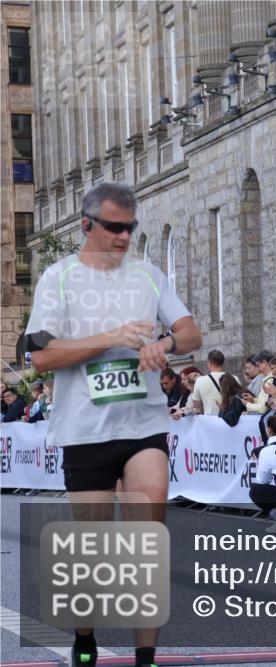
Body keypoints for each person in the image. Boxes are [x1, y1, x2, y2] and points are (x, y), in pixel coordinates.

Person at [23, 181, 201, 667]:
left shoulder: (147, 275)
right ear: (87, 225)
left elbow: (191, 331)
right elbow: (40, 357)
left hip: (142, 426)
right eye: (114, 228)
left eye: (130, 228)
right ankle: (85, 637)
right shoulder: (58, 279)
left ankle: (146, 657)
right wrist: (110, 338)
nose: (124, 238)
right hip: (85, 431)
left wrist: (163, 344)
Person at [188, 350, 229, 415]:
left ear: (209, 363)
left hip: (210, 421)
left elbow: (196, 405)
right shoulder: (234, 378)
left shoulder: (200, 380)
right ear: (223, 363)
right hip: (230, 421)